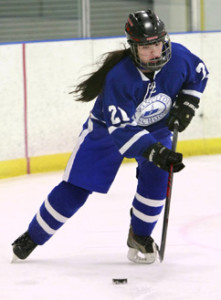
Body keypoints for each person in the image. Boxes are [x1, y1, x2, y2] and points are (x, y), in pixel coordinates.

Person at [12, 9, 208, 264]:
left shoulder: (179, 56)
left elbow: (200, 74)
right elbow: (122, 131)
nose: (155, 52)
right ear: (133, 48)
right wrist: (154, 150)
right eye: (146, 47)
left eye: (158, 43)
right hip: (107, 130)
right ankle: (33, 236)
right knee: (77, 188)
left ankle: (139, 236)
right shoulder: (120, 77)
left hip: (156, 126)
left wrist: (188, 103)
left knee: (159, 176)